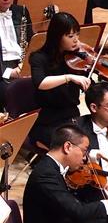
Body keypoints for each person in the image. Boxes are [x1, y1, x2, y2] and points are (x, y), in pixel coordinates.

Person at [28, 12, 91, 148]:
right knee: (74, 148)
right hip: (48, 122)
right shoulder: (38, 58)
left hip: (72, 118)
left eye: (77, 35)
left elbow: (90, 89)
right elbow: (40, 82)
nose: (76, 40)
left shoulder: (76, 59)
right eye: (70, 36)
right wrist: (68, 77)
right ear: (57, 36)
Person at [0, 0, 33, 111]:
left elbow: (31, 42)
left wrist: (27, 66)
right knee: (15, 91)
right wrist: (10, 73)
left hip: (22, 64)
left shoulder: (21, 11)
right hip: (2, 71)